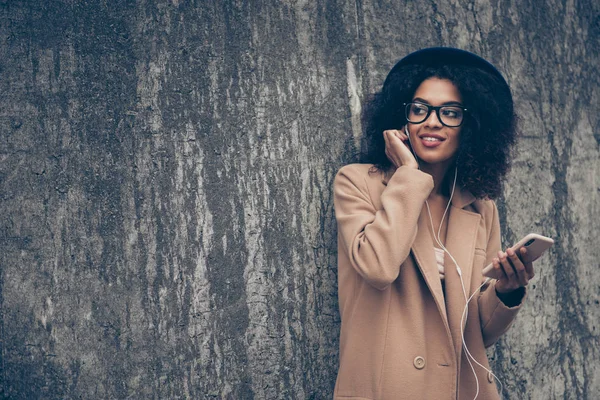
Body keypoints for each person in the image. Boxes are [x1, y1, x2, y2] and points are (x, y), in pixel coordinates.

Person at [333, 47, 534, 400]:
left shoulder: (480, 207)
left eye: (450, 113)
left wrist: (507, 290)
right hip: (387, 389)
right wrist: (409, 174)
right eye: (419, 109)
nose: (432, 121)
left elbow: (476, 333)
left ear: (470, 128)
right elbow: (378, 267)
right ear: (402, 119)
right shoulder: (358, 183)